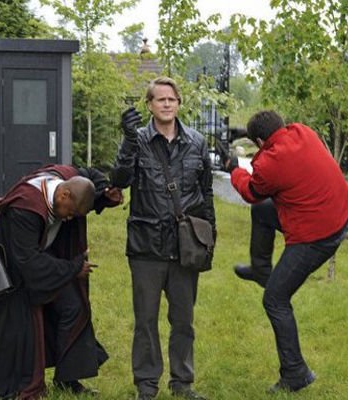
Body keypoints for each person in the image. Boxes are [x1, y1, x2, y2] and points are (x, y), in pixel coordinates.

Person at [220, 111, 348, 393]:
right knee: (263, 211)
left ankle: (296, 373)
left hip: (318, 235)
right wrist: (246, 139)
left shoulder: (272, 163)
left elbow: (251, 191)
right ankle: (261, 269)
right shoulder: (302, 131)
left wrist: (234, 168)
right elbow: (274, 151)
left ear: (260, 141)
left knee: (275, 299)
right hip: (334, 214)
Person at [0, 164, 123, 400]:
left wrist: (105, 193)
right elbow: (29, 263)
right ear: (64, 195)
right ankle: (12, 386)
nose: (69, 218)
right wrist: (72, 268)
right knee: (20, 327)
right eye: (70, 212)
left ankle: (67, 379)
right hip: (12, 273)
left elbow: (90, 175)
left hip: (41, 259)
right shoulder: (25, 208)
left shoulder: (67, 177)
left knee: (74, 307)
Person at [110, 77, 216, 400]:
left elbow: (206, 193)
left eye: (171, 99)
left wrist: (209, 238)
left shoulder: (197, 142)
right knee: (145, 321)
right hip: (146, 246)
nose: (166, 104)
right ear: (149, 105)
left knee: (183, 320)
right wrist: (128, 139)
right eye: (160, 99)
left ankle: (182, 383)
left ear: (179, 103)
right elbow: (119, 179)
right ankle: (146, 384)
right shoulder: (138, 140)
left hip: (185, 246)